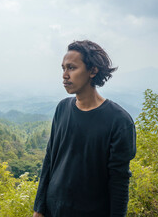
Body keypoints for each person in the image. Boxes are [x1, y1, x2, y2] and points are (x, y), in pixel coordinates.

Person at [33, 40, 136, 217]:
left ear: (93, 70)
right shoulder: (62, 109)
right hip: (53, 210)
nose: (65, 75)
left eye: (71, 68)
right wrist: (39, 208)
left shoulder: (119, 121)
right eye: (63, 68)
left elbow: (119, 181)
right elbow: (49, 160)